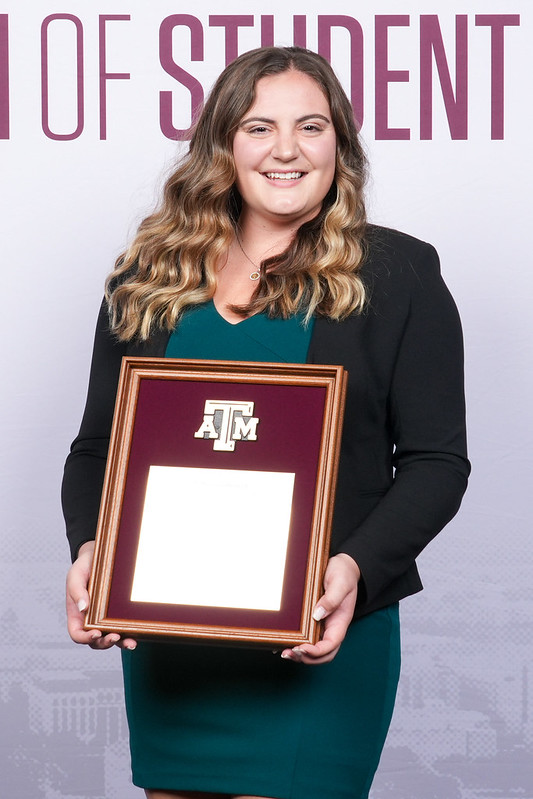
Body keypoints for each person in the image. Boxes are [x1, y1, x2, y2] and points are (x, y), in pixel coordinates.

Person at [63, 46, 469, 799]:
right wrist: (92, 547)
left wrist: (348, 571)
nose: (285, 149)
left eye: (310, 126)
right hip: (172, 644)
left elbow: (435, 463)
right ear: (223, 144)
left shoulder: (397, 273)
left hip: (319, 634)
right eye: (259, 127)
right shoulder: (147, 276)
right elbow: (96, 447)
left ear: (338, 147)